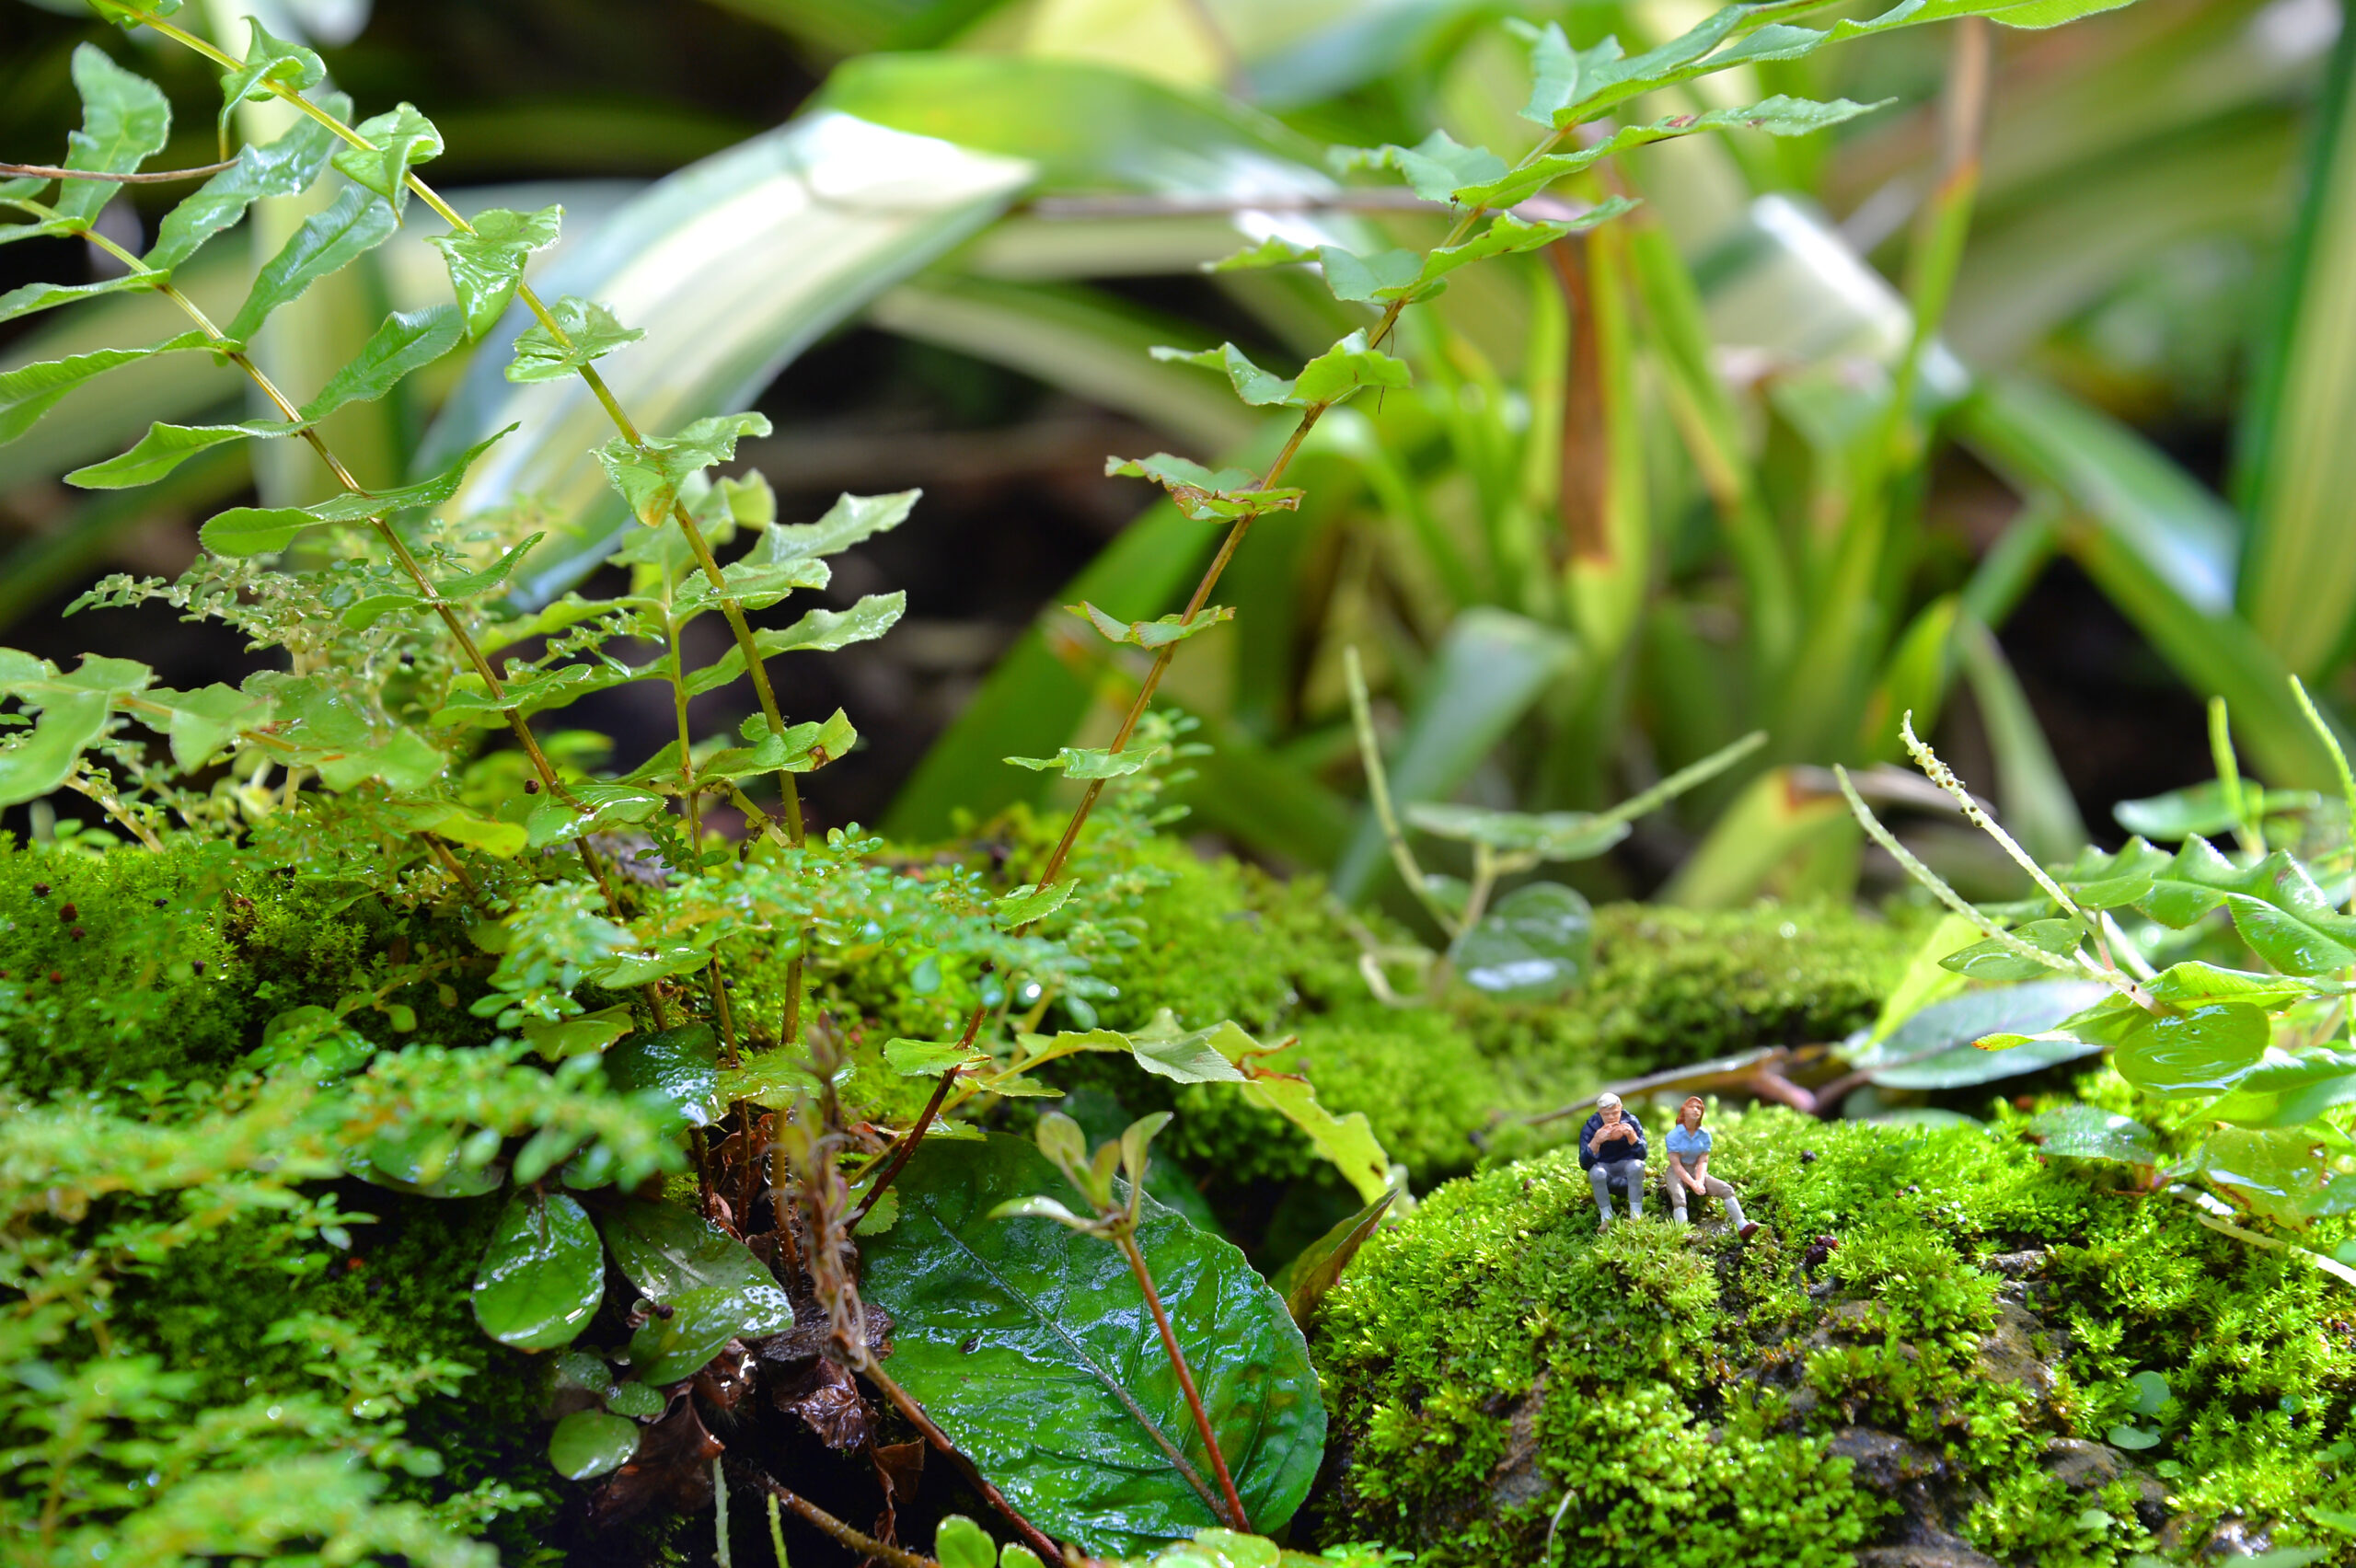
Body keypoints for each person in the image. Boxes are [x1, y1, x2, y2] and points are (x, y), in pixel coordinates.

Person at [1663, 1095, 1759, 1240]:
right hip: (1678, 1173)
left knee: (1726, 1189)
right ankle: (1682, 1232)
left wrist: (1700, 1181)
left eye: (1699, 1108)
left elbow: (1703, 1160)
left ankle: (1742, 1225)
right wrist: (1693, 1183)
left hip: (1696, 1170)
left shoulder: (1704, 1135)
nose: (1696, 1110)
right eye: (1692, 1107)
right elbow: (1676, 1165)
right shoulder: (1673, 1136)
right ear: (1684, 1111)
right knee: (1679, 1198)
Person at [1577, 1091, 1646, 1229]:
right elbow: (1584, 1163)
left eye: (1615, 1113)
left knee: (1637, 1166)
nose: (1611, 1117)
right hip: (1605, 1168)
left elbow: (1643, 1154)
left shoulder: (1631, 1122)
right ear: (1599, 1112)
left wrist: (1632, 1137)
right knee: (1596, 1173)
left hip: (1626, 1166)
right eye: (1606, 1114)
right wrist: (1596, 1141)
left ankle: (1636, 1214)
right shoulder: (1590, 1127)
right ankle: (1606, 1217)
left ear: (1620, 1108)